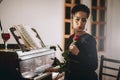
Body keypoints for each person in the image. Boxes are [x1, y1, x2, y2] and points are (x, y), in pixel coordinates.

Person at [47, 4, 98, 80]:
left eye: (83, 20)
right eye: (77, 19)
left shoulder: (90, 40)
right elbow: (69, 64)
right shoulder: (70, 38)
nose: (80, 23)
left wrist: (78, 53)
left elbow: (94, 65)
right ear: (72, 20)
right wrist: (55, 69)